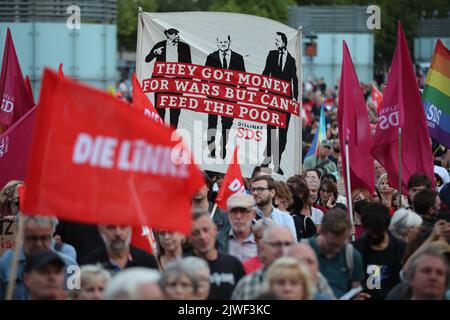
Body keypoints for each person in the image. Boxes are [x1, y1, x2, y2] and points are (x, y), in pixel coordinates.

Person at [0, 215, 78, 300]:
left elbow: (77, 295)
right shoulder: (5, 263)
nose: (38, 244)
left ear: (52, 234)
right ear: (21, 235)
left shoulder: (68, 262)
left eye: (44, 238)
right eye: (32, 238)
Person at [304, 208, 366, 298]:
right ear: (321, 231)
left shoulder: (351, 255)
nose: (337, 249)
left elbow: (355, 289)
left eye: (342, 243)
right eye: (332, 244)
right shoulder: (303, 251)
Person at [260, 32, 299, 175]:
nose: (276, 43)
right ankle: (267, 159)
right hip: (272, 99)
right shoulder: (271, 54)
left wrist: (295, 97)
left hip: (286, 102)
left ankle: (278, 162)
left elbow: (294, 79)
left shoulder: (292, 60)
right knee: (270, 129)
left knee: (282, 133)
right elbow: (265, 72)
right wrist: (261, 91)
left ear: (284, 42)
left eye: (277, 40)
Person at [186, 211, 245, 300]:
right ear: (190, 238)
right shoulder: (183, 267)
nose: (202, 236)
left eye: (206, 230)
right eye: (196, 232)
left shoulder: (233, 264)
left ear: (215, 231)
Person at [353, 203, 406, 300]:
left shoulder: (401, 248)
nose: (374, 236)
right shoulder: (357, 249)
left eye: (378, 232)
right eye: (371, 232)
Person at [205, 34, 246, 159]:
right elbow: (204, 76)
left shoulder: (238, 58)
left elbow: (243, 78)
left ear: (229, 42)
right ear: (217, 43)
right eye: (221, 42)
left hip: (231, 99)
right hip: (214, 98)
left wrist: (241, 96)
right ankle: (212, 151)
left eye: (225, 42)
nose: (223, 44)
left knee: (226, 125)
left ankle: (223, 149)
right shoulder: (211, 57)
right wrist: (207, 93)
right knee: (212, 124)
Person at [231, 225, 295, 300]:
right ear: (262, 248)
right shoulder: (246, 285)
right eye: (276, 244)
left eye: (287, 244)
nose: (283, 250)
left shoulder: (304, 282)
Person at [145, 28, 191, 128]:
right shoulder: (160, 45)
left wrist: (188, 83)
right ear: (168, 35)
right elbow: (147, 59)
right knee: (160, 108)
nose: (176, 36)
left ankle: (172, 132)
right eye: (173, 34)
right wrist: (154, 53)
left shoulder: (184, 47)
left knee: (175, 110)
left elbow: (189, 66)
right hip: (161, 82)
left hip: (177, 83)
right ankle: (160, 132)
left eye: (176, 34)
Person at [81, 224, 158, 273]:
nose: (118, 233)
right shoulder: (88, 264)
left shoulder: (147, 261)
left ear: (130, 229)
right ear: (100, 230)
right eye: (111, 227)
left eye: (123, 227)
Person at [251, 175, 297, 240]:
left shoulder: (285, 218)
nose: (255, 193)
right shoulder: (247, 217)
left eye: (260, 189)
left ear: (272, 193)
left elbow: (292, 245)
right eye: (253, 189)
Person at [216, 193, 257, 262]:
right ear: (228, 213)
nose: (238, 217)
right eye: (233, 211)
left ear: (253, 214)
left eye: (243, 211)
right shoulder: (217, 240)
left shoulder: (266, 239)